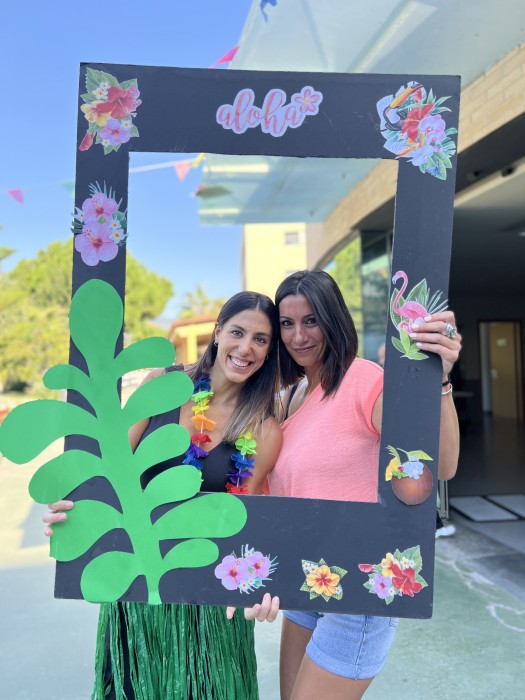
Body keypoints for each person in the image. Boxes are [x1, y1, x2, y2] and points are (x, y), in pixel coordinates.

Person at [43, 291, 283, 700]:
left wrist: (258, 589)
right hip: (140, 589)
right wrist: (72, 515)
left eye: (260, 339)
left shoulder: (264, 428)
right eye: (238, 332)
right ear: (218, 332)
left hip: (212, 604)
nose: (246, 348)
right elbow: (110, 469)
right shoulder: (164, 387)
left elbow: (246, 523)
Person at [267, 269, 461, 700]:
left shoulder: (364, 381)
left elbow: (440, 465)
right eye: (287, 323)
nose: (298, 336)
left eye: (311, 320)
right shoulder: (291, 396)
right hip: (309, 581)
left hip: (358, 594)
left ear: (333, 319)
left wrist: (440, 379)